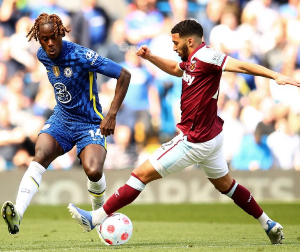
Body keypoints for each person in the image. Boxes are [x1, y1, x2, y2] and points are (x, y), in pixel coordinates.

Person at [68, 19, 300, 244]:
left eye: (175, 43)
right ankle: (268, 223)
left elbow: (239, 65)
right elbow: (176, 69)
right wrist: (150, 57)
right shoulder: (192, 60)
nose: (174, 48)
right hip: (211, 136)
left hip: (194, 140)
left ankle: (95, 218)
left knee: (140, 174)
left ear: (190, 41)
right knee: (226, 185)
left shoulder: (207, 56)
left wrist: (275, 75)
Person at [1, 13, 131, 235]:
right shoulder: (43, 55)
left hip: (89, 122)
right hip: (62, 119)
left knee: (93, 170)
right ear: (38, 39)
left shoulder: (81, 55)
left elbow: (124, 74)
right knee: (40, 154)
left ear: (61, 33)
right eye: (44, 38)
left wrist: (111, 115)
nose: (50, 43)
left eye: (53, 37)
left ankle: (97, 216)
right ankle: (18, 215)